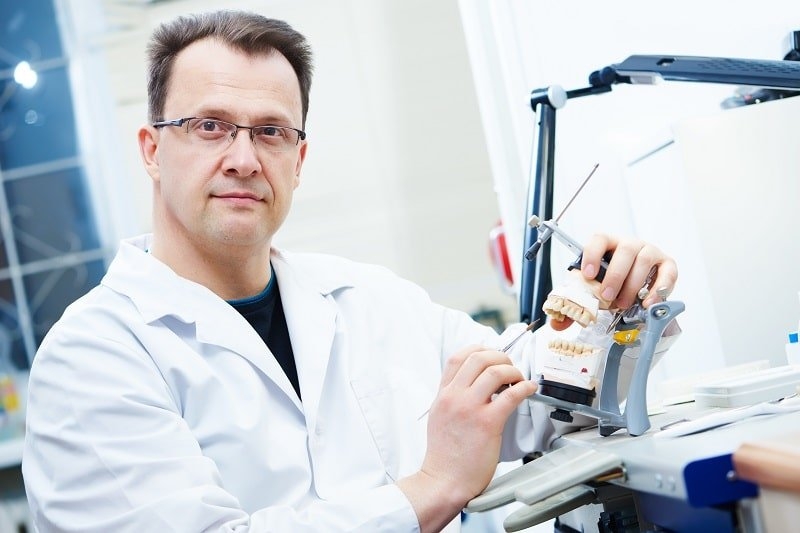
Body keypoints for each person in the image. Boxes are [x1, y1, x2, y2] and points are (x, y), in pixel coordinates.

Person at [21, 10, 678, 533]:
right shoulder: (92, 358)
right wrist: (433, 486)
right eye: (211, 126)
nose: (244, 158)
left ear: (299, 160)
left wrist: (610, 313)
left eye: (271, 131)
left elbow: (530, 394)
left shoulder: (368, 298)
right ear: (152, 149)